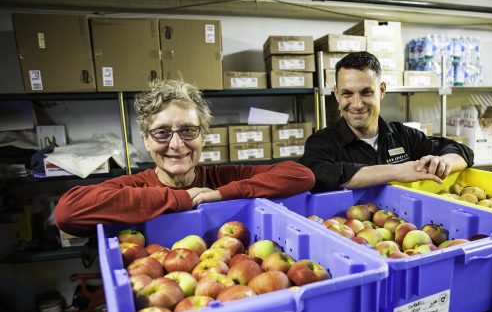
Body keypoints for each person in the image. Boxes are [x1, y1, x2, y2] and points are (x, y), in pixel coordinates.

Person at [55, 79, 315, 237]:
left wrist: (222, 194)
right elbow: (68, 212)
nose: (177, 145)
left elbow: (301, 174)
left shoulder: (222, 178)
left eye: (188, 130)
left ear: (203, 136)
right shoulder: (134, 187)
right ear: (146, 140)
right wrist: (181, 198)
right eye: (162, 133)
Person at [299, 51, 474, 193]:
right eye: (347, 94)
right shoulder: (321, 143)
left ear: (382, 90)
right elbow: (321, 175)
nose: (357, 104)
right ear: (336, 94)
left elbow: (463, 152)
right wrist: (399, 171)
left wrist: (442, 163)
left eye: (366, 92)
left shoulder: (403, 135)